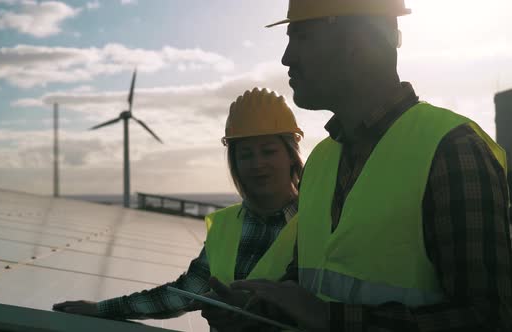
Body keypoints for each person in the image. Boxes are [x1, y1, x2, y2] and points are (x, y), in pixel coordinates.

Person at [199, 1, 512, 331]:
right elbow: (310, 280)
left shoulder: (452, 151)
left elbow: (490, 319)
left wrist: (329, 319)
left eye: (301, 36)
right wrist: (258, 311)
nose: (286, 58)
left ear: (358, 40)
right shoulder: (320, 161)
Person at [52, 87, 305, 324]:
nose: (257, 163)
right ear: (234, 161)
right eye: (246, 154)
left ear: (291, 154)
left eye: (268, 151)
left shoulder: (317, 219)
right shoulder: (226, 226)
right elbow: (187, 293)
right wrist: (102, 309)